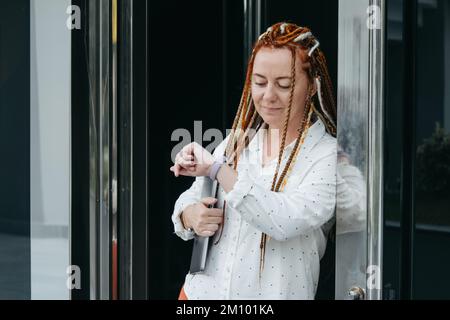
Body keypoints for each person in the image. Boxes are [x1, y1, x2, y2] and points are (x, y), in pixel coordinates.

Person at [170, 22, 337, 300]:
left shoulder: (327, 156)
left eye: (284, 85)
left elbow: (283, 219)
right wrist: (191, 216)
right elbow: (189, 199)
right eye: (259, 82)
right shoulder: (239, 141)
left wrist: (216, 169)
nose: (268, 96)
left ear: (312, 87)